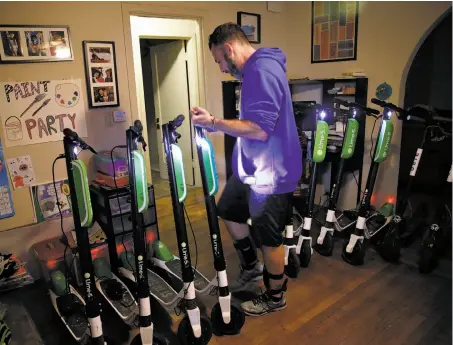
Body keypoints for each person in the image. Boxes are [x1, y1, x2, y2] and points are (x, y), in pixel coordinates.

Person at [190, 23, 302, 316]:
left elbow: (259, 129)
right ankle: (252, 267)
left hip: (273, 174)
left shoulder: (261, 71)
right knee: (227, 209)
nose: (222, 69)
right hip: (253, 169)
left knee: (270, 237)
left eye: (219, 61)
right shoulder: (254, 70)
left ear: (228, 48)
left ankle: (275, 296)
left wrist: (213, 122)